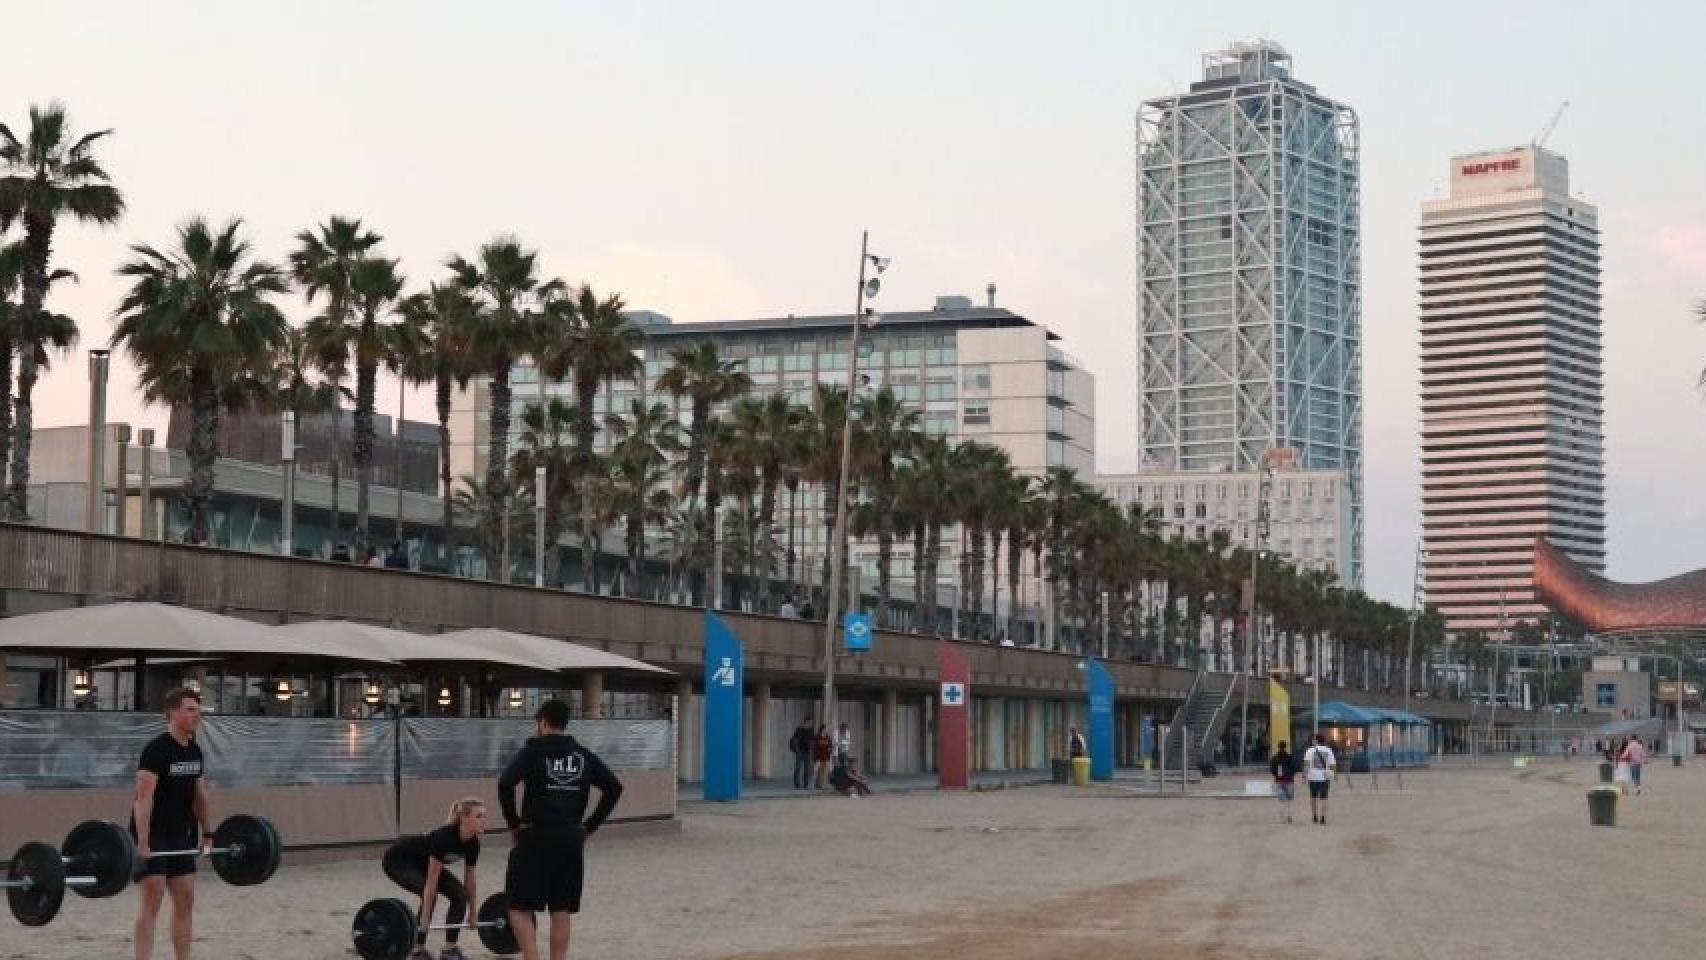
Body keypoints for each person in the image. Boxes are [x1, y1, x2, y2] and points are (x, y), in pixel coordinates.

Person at [498, 699, 623, 960]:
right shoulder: (582, 754)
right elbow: (614, 787)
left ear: (542, 722)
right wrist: (589, 827)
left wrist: (513, 824)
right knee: (561, 908)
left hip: (536, 835)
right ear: (565, 724)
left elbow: (506, 783)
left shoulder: (533, 751)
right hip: (570, 838)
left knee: (518, 905)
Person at [132, 688, 213, 960]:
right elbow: (143, 798)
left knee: (186, 898)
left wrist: (209, 832)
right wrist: (142, 841)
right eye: (190, 710)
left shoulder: (195, 751)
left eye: (197, 710)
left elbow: (200, 795)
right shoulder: (156, 750)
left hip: (180, 835)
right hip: (153, 835)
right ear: (173, 713)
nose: (196, 715)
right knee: (152, 898)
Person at [382, 798, 487, 960]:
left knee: (459, 894)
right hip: (399, 860)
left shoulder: (473, 844)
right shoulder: (444, 838)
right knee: (429, 894)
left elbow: (470, 882)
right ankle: (417, 950)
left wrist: (473, 912)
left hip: (423, 863)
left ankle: (449, 950)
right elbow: (431, 883)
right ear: (464, 818)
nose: (484, 820)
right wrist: (424, 919)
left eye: (484, 816)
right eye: (479, 816)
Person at [1302, 733, 1336, 826]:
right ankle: (1323, 818)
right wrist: (1334, 776)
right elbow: (1333, 765)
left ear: (1316, 741)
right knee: (1324, 798)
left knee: (1313, 797)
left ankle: (1314, 816)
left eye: (1314, 740)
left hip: (1312, 777)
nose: (1313, 741)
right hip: (1325, 777)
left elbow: (1306, 765)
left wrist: (1304, 776)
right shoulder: (1329, 751)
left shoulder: (1309, 751)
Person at [1270, 740, 1296, 824]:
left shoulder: (1274, 758)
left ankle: (1282, 818)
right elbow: (1294, 768)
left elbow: (1272, 770)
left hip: (1279, 780)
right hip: (1289, 780)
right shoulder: (1289, 757)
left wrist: (1277, 775)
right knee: (1289, 800)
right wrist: (1291, 775)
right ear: (1285, 747)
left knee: (1281, 801)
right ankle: (1289, 815)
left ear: (1278, 747)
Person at [788, 718, 815, 790]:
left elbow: (812, 740)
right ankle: (797, 784)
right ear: (806, 722)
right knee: (798, 767)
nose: (811, 724)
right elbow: (794, 739)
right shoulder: (799, 729)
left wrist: (811, 750)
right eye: (810, 722)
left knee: (807, 768)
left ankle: (806, 784)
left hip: (807, 751)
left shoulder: (811, 730)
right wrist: (797, 750)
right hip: (800, 751)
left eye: (811, 723)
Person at [811, 724, 833, 790]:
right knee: (815, 770)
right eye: (825, 729)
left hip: (826, 757)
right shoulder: (817, 737)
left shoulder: (828, 737)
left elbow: (830, 746)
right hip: (818, 757)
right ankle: (812, 783)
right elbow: (814, 747)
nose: (826, 730)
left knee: (824, 771)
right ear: (822, 729)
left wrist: (830, 749)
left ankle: (822, 784)